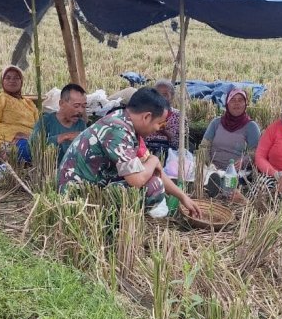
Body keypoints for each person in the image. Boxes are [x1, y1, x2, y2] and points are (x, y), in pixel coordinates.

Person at [58, 87, 200, 217]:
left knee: (150, 176)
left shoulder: (125, 122)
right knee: (152, 185)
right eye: (159, 123)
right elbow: (137, 180)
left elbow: (155, 170)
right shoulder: (118, 131)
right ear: (146, 117)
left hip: (93, 184)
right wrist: (153, 160)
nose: (158, 129)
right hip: (77, 198)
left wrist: (183, 197)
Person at [0, 65, 38, 162]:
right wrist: (16, 134)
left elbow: (38, 125)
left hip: (31, 138)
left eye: (16, 78)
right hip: (8, 141)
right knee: (27, 149)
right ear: (2, 81)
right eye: (8, 78)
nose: (12, 80)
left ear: (21, 81)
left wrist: (36, 136)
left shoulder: (29, 103)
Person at [202, 88, 261, 170]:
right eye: (232, 100)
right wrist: (209, 164)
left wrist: (244, 162)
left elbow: (256, 152)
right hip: (211, 170)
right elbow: (204, 147)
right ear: (227, 104)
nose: (236, 103)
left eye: (240, 100)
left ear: (245, 104)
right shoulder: (216, 123)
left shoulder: (251, 127)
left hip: (235, 173)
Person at [32, 83, 87, 165]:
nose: (80, 110)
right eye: (76, 106)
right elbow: (32, 147)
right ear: (61, 103)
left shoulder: (81, 124)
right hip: (50, 173)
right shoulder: (46, 122)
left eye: (83, 106)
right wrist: (64, 137)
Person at [144, 79, 181, 158]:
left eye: (165, 94)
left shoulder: (178, 116)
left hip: (169, 154)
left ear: (172, 96)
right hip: (146, 152)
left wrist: (164, 131)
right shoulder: (146, 113)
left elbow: (179, 144)